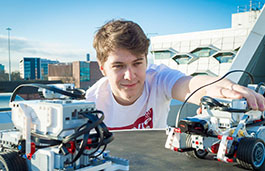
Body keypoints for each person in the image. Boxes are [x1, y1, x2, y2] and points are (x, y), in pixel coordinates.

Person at [85, 19, 265, 130]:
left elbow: (190, 85)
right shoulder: (88, 104)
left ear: (146, 61)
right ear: (103, 69)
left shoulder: (158, 79)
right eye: (119, 66)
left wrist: (226, 88)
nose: (130, 76)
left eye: (137, 63)